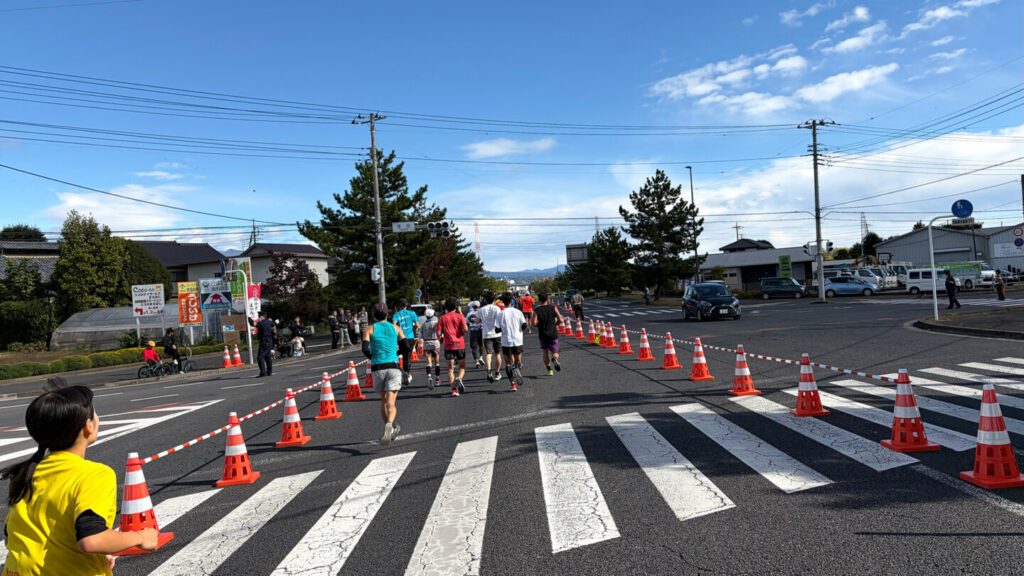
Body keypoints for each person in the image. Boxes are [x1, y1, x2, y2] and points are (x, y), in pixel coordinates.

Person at [1, 380, 160, 575]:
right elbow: (92, 539)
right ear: (88, 426)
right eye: (95, 413)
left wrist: (103, 552)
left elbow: (12, 537)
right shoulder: (94, 475)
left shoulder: (27, 473)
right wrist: (141, 537)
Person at [362, 303, 405, 445]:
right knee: (391, 402)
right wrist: (395, 353)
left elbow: (365, 348)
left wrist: (373, 357)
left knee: (383, 401)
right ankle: (390, 425)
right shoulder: (395, 328)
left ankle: (388, 425)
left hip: (377, 368)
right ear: (387, 314)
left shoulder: (369, 329)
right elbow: (407, 346)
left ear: (374, 315)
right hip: (392, 366)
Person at [496, 292, 528, 391]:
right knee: (518, 360)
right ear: (512, 301)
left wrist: (504, 329)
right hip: (518, 340)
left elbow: (497, 329)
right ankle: (517, 367)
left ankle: (513, 384)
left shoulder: (500, 314)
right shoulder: (518, 312)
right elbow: (524, 325)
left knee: (508, 363)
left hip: (506, 341)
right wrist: (519, 330)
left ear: (503, 302)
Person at [438, 297, 469, 396]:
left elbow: (438, 333)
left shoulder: (442, 318)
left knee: (450, 369)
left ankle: (454, 390)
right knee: (462, 366)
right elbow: (465, 329)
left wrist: (444, 333)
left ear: (446, 307)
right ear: (456, 306)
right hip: (460, 344)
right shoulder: (460, 316)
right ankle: (459, 378)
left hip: (449, 345)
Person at [532, 292, 564, 376]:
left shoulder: (537, 310)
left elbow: (534, 323)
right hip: (553, 332)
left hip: (542, 334)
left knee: (545, 352)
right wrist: (555, 324)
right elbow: (560, 319)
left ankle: (549, 370)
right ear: (548, 299)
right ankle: (554, 358)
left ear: (539, 300)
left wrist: (540, 325)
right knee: (555, 351)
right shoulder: (553, 307)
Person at [391, 299, 419, 385]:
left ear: (399, 306)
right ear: (406, 305)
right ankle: (406, 372)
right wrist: (412, 328)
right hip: (410, 337)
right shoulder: (411, 313)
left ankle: (399, 367)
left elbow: (394, 324)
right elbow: (417, 325)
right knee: (407, 355)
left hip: (400, 338)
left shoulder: (396, 314)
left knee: (402, 353)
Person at [478, 292, 503, 383]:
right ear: (494, 300)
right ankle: (497, 373)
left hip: (486, 334)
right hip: (496, 334)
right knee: (497, 354)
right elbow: (500, 320)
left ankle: (489, 370)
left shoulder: (481, 309)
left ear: (485, 299)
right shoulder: (497, 308)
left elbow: (477, 320)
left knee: (488, 354)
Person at [419, 308, 441, 390]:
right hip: (435, 342)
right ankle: (437, 379)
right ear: (432, 315)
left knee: (428, 362)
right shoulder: (436, 323)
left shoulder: (423, 325)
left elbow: (420, 336)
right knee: (437, 361)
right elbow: (440, 333)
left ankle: (429, 376)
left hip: (426, 343)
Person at [256, 312, 276, 376]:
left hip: (264, 341)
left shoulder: (261, 323)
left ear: (262, 316)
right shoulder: (270, 322)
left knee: (260, 357)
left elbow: (255, 325)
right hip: (269, 341)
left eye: (259, 316)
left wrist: (249, 319)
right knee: (268, 356)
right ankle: (269, 371)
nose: (259, 317)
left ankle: (263, 372)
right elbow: (274, 325)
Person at [465, 301, 484, 367]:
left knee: (474, 347)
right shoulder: (481, 313)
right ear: (479, 306)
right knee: (481, 345)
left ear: (472, 307)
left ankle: (476, 361)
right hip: (481, 330)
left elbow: (466, 323)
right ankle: (481, 357)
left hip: (473, 331)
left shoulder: (469, 314)